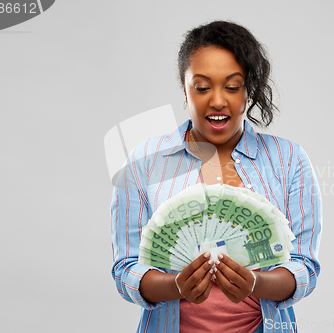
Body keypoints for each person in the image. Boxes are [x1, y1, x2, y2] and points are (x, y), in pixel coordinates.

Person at [111, 20, 322, 333]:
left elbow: (305, 268)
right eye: (202, 87)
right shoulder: (143, 164)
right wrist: (176, 287)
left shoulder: (289, 160)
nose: (218, 100)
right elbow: (126, 269)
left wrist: (256, 283)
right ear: (184, 91)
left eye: (232, 86)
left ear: (249, 90)